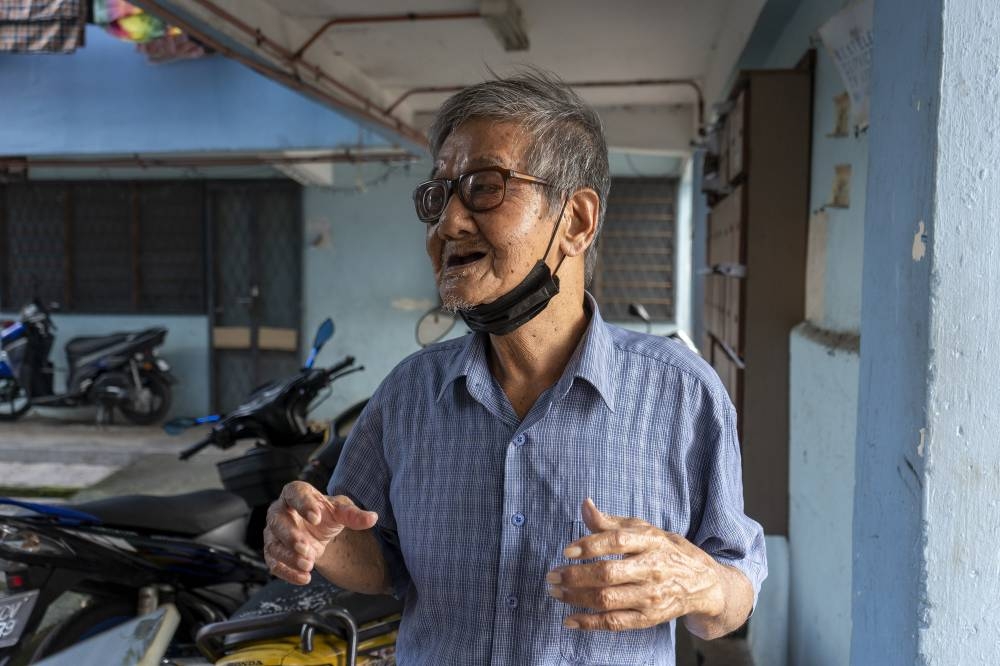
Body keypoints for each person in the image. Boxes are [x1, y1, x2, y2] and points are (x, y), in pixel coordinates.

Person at [263, 70, 766, 665]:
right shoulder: (409, 394)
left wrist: (701, 583)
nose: (447, 223)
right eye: (437, 195)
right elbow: (379, 559)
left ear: (576, 220)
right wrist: (318, 537)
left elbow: (734, 591)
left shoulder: (680, 394)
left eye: (484, 186)